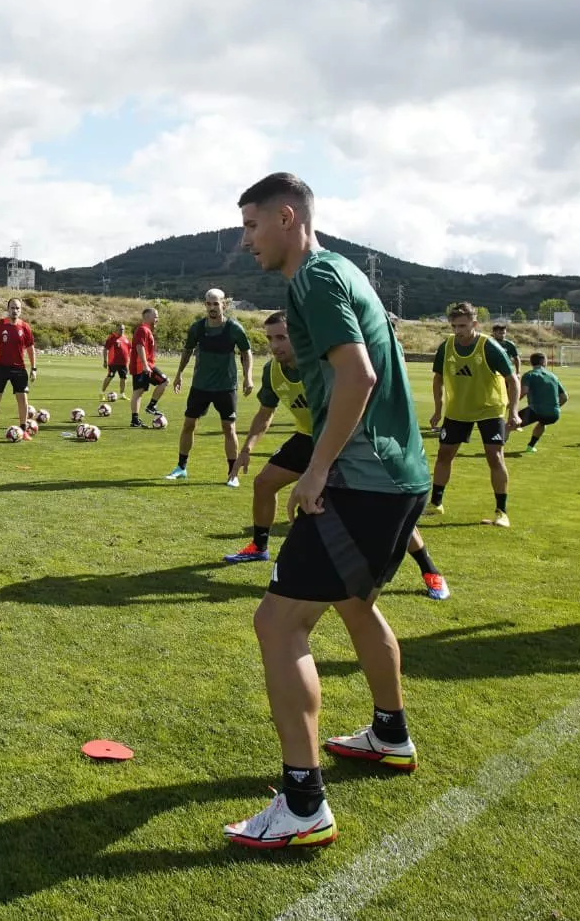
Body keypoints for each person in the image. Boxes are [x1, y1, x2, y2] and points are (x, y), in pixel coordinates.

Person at [224, 172, 431, 849]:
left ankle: (304, 803)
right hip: (397, 476)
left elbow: (358, 375)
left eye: (251, 225)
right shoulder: (339, 270)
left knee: (277, 623)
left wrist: (316, 471)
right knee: (355, 604)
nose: (246, 240)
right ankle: (390, 735)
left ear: (287, 217)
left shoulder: (313, 279)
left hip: (361, 481)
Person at [225, 311, 449, 601]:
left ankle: (430, 570)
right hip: (307, 437)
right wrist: (247, 449)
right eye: (270, 339)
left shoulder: (325, 366)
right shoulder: (272, 371)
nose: (275, 345)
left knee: (385, 514)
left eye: (282, 337)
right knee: (263, 483)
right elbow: (265, 413)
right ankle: (259, 546)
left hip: (343, 441)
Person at [427, 302, 520, 527]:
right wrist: (438, 410)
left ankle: (501, 512)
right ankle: (436, 503)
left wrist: (514, 412)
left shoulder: (489, 346)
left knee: (494, 456)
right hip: (458, 409)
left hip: (490, 409)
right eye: (454, 326)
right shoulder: (447, 346)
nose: (457, 331)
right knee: (444, 455)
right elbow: (438, 378)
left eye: (462, 326)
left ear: (474, 324)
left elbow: (513, 379)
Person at [166, 288, 253, 485]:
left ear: (224, 305)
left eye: (216, 303)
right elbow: (188, 350)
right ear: (205, 305)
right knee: (189, 424)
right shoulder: (197, 328)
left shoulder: (234, 328)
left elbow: (246, 353)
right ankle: (181, 467)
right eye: (209, 304)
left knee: (228, 428)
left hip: (226, 386)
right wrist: (179, 374)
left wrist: (248, 377)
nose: (212, 307)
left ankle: (232, 474)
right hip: (201, 386)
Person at [0, 297, 36, 440]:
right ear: (8, 309)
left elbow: (30, 348)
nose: (15, 310)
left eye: (17, 308)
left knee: (23, 400)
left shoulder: (25, 327)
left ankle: (23, 430)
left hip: (19, 368)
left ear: (21, 310)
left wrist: (33, 368)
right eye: (12, 308)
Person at [514, 352, 567, 454]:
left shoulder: (529, 375)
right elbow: (564, 397)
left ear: (531, 363)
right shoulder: (553, 376)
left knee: (510, 425)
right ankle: (531, 447)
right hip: (554, 414)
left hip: (536, 410)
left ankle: (497, 445)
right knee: (543, 422)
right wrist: (555, 407)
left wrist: (512, 403)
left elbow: (524, 392)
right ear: (543, 362)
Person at [128, 307, 167, 425]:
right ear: (147, 317)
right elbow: (139, 346)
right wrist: (145, 365)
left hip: (145, 365)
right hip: (141, 365)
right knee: (140, 391)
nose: (157, 319)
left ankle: (139, 416)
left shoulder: (147, 330)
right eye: (155, 316)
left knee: (140, 391)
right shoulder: (142, 330)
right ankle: (146, 410)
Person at [100, 323, 130, 398]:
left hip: (123, 363)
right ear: (116, 329)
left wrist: (130, 361)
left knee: (123, 378)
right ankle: (102, 393)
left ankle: (122, 394)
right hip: (113, 362)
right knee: (110, 377)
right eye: (120, 329)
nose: (122, 330)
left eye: (123, 329)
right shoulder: (112, 337)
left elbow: (129, 350)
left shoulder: (126, 338)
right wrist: (105, 361)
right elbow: (105, 349)